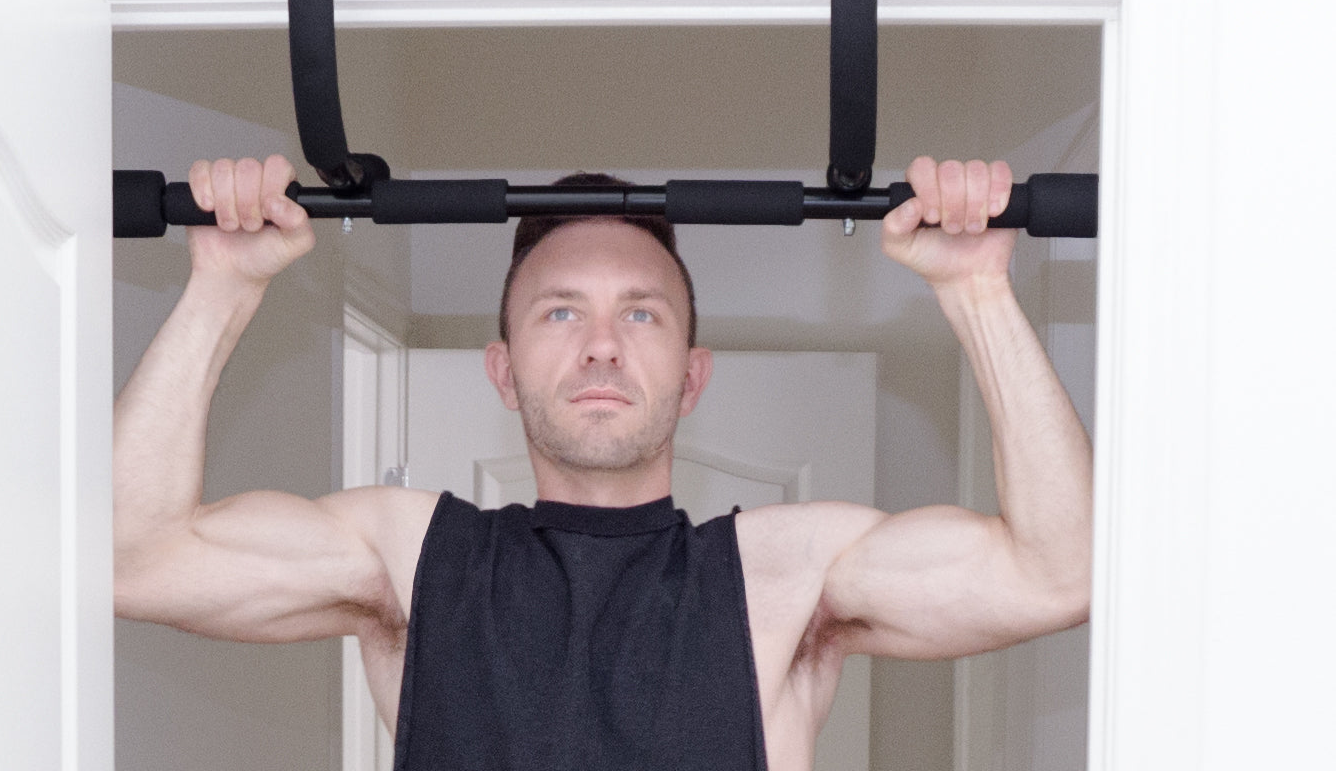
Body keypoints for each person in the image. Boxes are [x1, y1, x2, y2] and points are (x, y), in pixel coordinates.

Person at [113, 154, 1092, 771]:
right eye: (561, 311)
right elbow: (133, 556)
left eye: (641, 312)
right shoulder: (412, 559)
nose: (601, 343)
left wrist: (977, 291)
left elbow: (1059, 571)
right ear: (502, 368)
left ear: (692, 373)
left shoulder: (783, 575)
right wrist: (221, 285)